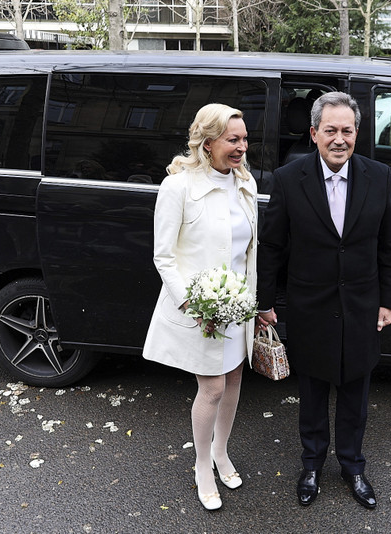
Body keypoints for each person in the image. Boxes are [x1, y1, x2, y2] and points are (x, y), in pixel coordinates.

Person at [258, 91, 391, 510]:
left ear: (357, 132)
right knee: (314, 392)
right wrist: (264, 303)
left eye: (347, 130)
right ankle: (311, 465)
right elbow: (272, 247)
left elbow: (389, 245)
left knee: (356, 391)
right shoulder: (289, 179)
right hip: (310, 306)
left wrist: (388, 301)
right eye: (330, 130)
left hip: (362, 305)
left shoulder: (379, 176)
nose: (339, 139)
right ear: (314, 133)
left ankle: (353, 467)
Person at [143, 103, 258, 511]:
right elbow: (164, 256)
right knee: (210, 389)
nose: (242, 146)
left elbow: (248, 253)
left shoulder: (245, 183)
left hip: (237, 308)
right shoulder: (178, 187)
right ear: (208, 143)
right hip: (202, 310)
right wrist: (195, 303)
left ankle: (222, 451)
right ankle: (201, 465)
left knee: (234, 381)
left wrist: (251, 304)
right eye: (233, 139)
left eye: (244, 138)